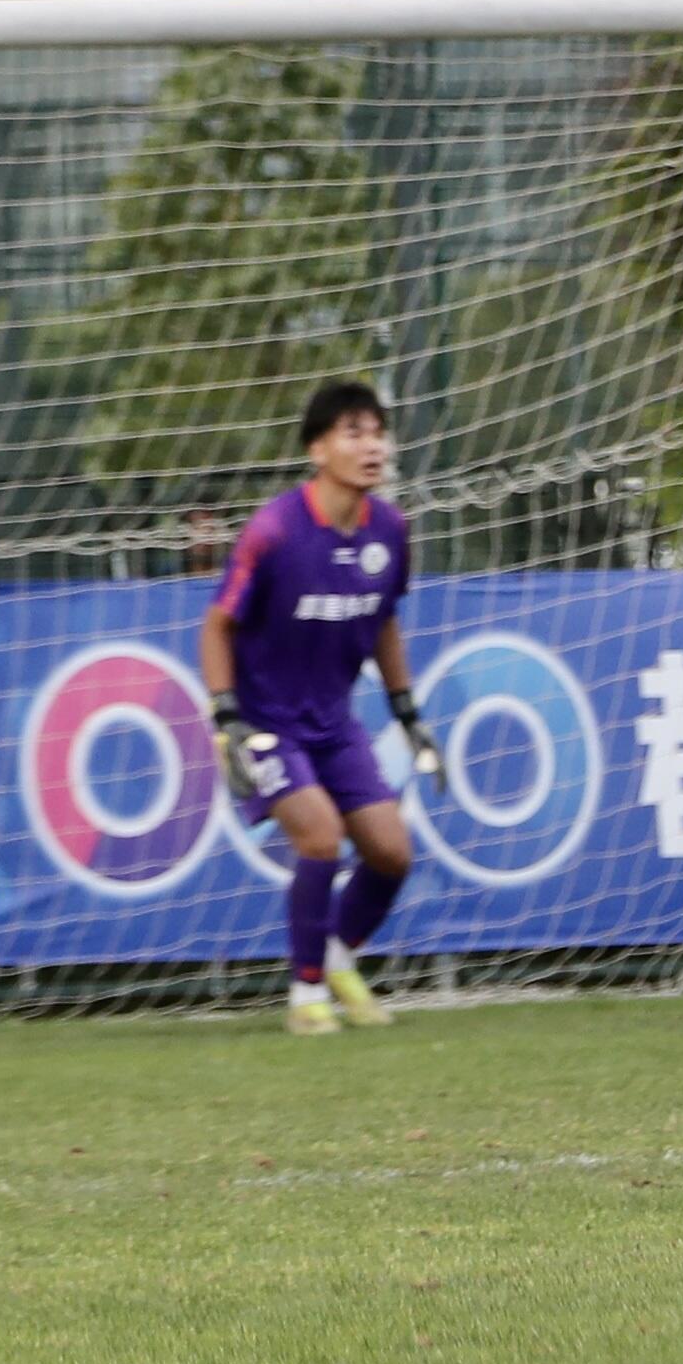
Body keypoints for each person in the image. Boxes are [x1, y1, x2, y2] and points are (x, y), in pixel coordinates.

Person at [201, 382, 443, 1034]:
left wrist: (407, 712)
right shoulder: (275, 531)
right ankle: (306, 995)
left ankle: (338, 957)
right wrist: (226, 718)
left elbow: (384, 620)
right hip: (265, 723)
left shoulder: (390, 529)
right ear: (317, 449)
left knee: (392, 853)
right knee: (320, 836)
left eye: (378, 432)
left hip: (335, 723)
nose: (372, 446)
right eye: (353, 433)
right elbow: (217, 627)